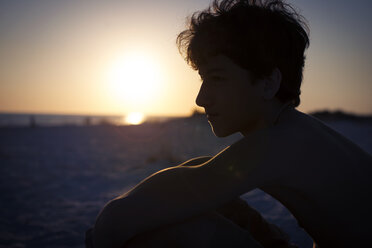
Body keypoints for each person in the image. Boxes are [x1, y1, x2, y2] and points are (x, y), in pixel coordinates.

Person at [86, 0, 372, 247]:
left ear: (268, 83)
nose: (200, 98)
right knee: (207, 189)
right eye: (203, 79)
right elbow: (197, 175)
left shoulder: (282, 143)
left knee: (174, 229)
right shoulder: (298, 131)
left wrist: (104, 233)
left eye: (218, 78)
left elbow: (121, 218)